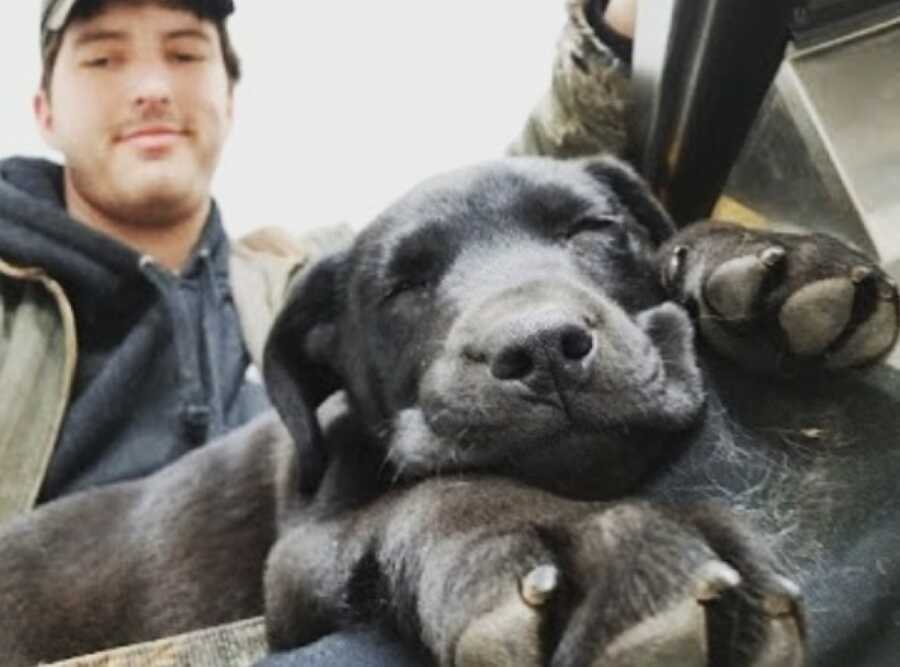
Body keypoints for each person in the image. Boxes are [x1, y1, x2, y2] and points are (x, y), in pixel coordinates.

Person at [0, 0, 640, 664]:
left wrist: (614, 34)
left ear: (229, 97)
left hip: (349, 603)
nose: (152, 87)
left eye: (185, 54)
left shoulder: (332, 289)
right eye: (104, 58)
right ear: (43, 110)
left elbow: (511, 207)